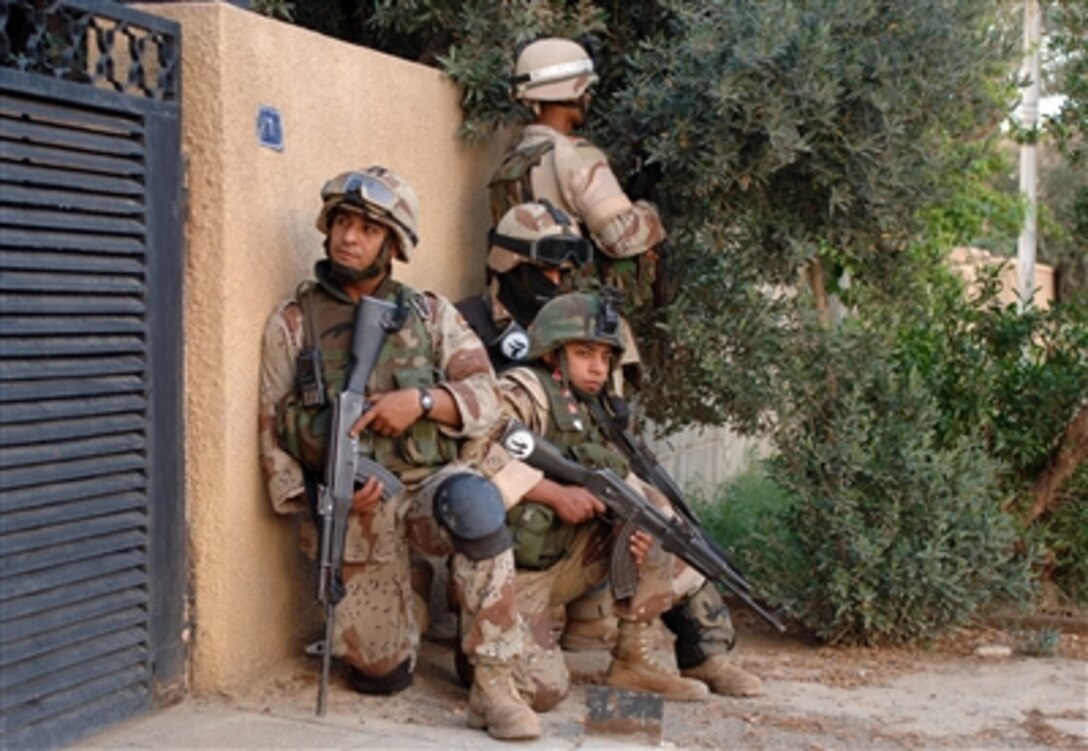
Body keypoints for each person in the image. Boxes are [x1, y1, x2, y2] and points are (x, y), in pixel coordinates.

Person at [258, 167, 541, 740]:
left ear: (392, 244)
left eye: (366, 228)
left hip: (432, 488)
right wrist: (321, 496)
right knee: (379, 675)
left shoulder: (432, 315)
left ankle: (494, 684)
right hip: (362, 510)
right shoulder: (295, 322)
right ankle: (408, 595)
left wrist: (424, 401)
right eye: (342, 222)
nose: (348, 237)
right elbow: (272, 427)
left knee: (476, 503)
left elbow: (491, 396)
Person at [498, 291, 764, 710]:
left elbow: (619, 481)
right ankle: (483, 651)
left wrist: (635, 523)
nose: (597, 368)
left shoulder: (591, 407)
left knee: (660, 522)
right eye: (584, 353)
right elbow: (478, 454)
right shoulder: (524, 391)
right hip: (514, 572)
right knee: (539, 689)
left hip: (567, 555)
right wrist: (553, 493)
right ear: (552, 353)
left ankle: (647, 659)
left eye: (605, 358)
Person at [488, 37, 666, 318]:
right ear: (571, 93)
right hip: (576, 315)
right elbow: (620, 239)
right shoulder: (577, 155)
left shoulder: (513, 159)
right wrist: (648, 209)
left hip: (522, 309)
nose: (588, 98)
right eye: (585, 90)